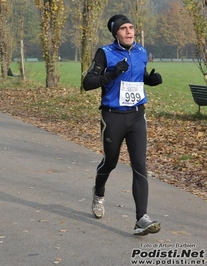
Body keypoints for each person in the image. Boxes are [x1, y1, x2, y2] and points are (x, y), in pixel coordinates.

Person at [83, 14, 163, 236]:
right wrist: (111, 73)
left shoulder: (141, 52)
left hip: (137, 115)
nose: (129, 32)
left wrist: (150, 80)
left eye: (131, 27)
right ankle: (99, 193)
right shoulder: (105, 53)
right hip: (113, 117)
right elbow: (87, 83)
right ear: (115, 33)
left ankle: (141, 219)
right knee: (110, 162)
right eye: (123, 29)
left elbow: (139, 75)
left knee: (140, 165)